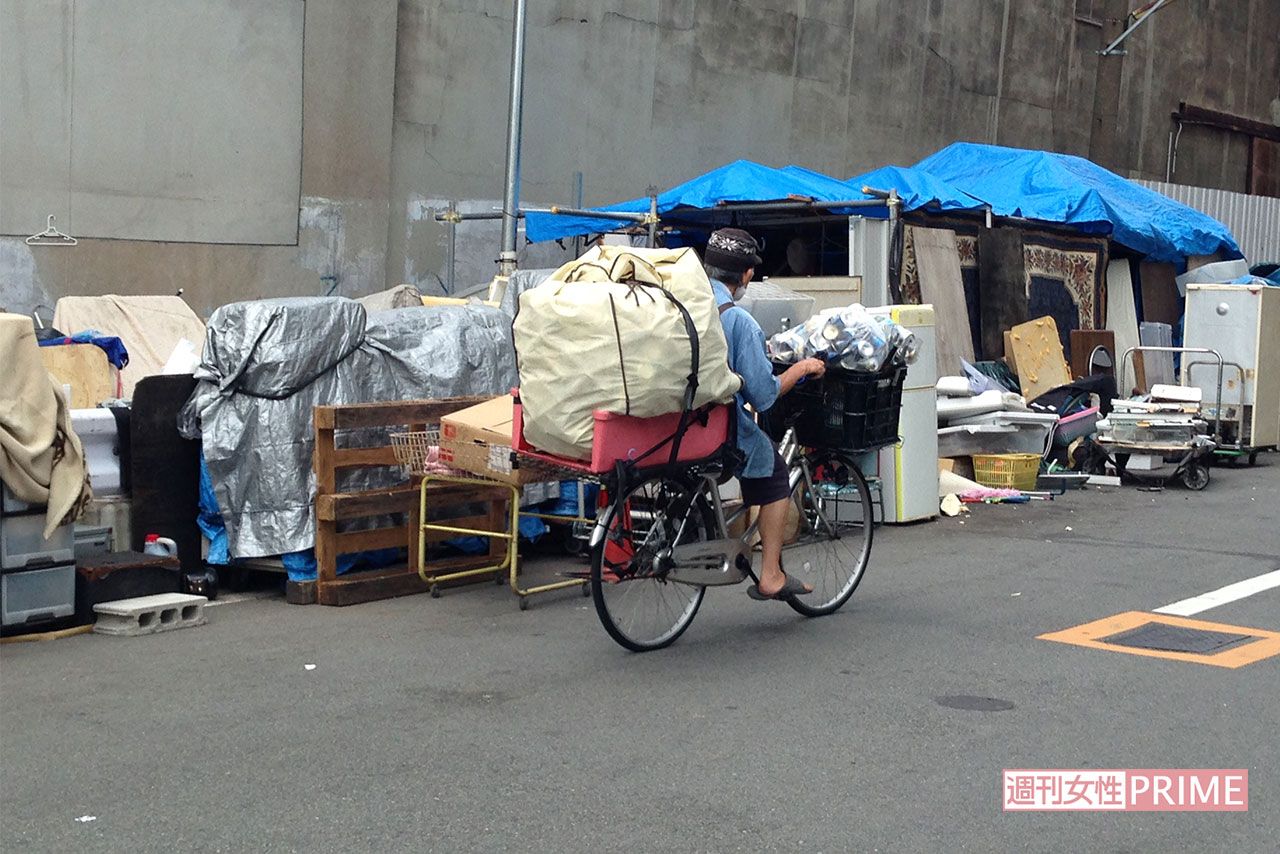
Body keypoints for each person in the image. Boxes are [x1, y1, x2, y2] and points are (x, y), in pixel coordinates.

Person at [703, 228, 825, 600]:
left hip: (677, 420)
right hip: (716, 424)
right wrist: (802, 368)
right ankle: (771, 573)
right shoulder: (739, 321)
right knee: (774, 474)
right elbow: (764, 394)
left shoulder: (687, 302)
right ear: (746, 275)